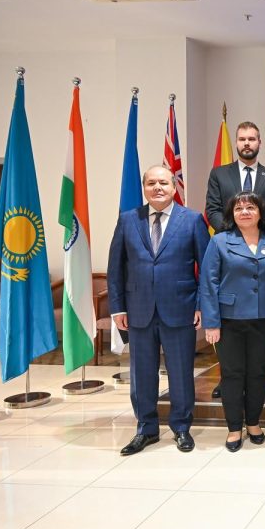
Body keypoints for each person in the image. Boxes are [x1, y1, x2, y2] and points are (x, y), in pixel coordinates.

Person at [107, 166, 210, 456]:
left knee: (181, 372)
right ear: (144, 188)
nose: (157, 188)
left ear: (174, 187)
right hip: (138, 310)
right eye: (151, 183)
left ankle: (181, 427)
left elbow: (207, 267)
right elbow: (116, 267)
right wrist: (117, 308)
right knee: (142, 374)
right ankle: (146, 428)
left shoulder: (192, 220)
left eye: (163, 182)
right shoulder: (128, 219)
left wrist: (201, 305)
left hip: (180, 309)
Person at [200, 192, 265, 451]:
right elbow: (208, 283)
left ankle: (253, 423)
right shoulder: (219, 241)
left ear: (261, 212)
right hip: (228, 320)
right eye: (238, 208)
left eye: (250, 207)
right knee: (232, 374)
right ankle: (233, 428)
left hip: (264, 319)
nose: (244, 212)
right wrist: (211, 322)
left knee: (257, 373)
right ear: (232, 214)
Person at [205, 120, 265, 399]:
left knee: (259, 333)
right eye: (242, 139)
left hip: (262, 253)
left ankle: (257, 380)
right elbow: (213, 209)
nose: (247, 143)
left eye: (252, 139)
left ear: (259, 143)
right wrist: (236, 236)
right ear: (237, 143)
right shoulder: (220, 174)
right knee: (229, 332)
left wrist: (260, 236)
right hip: (230, 255)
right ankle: (228, 380)